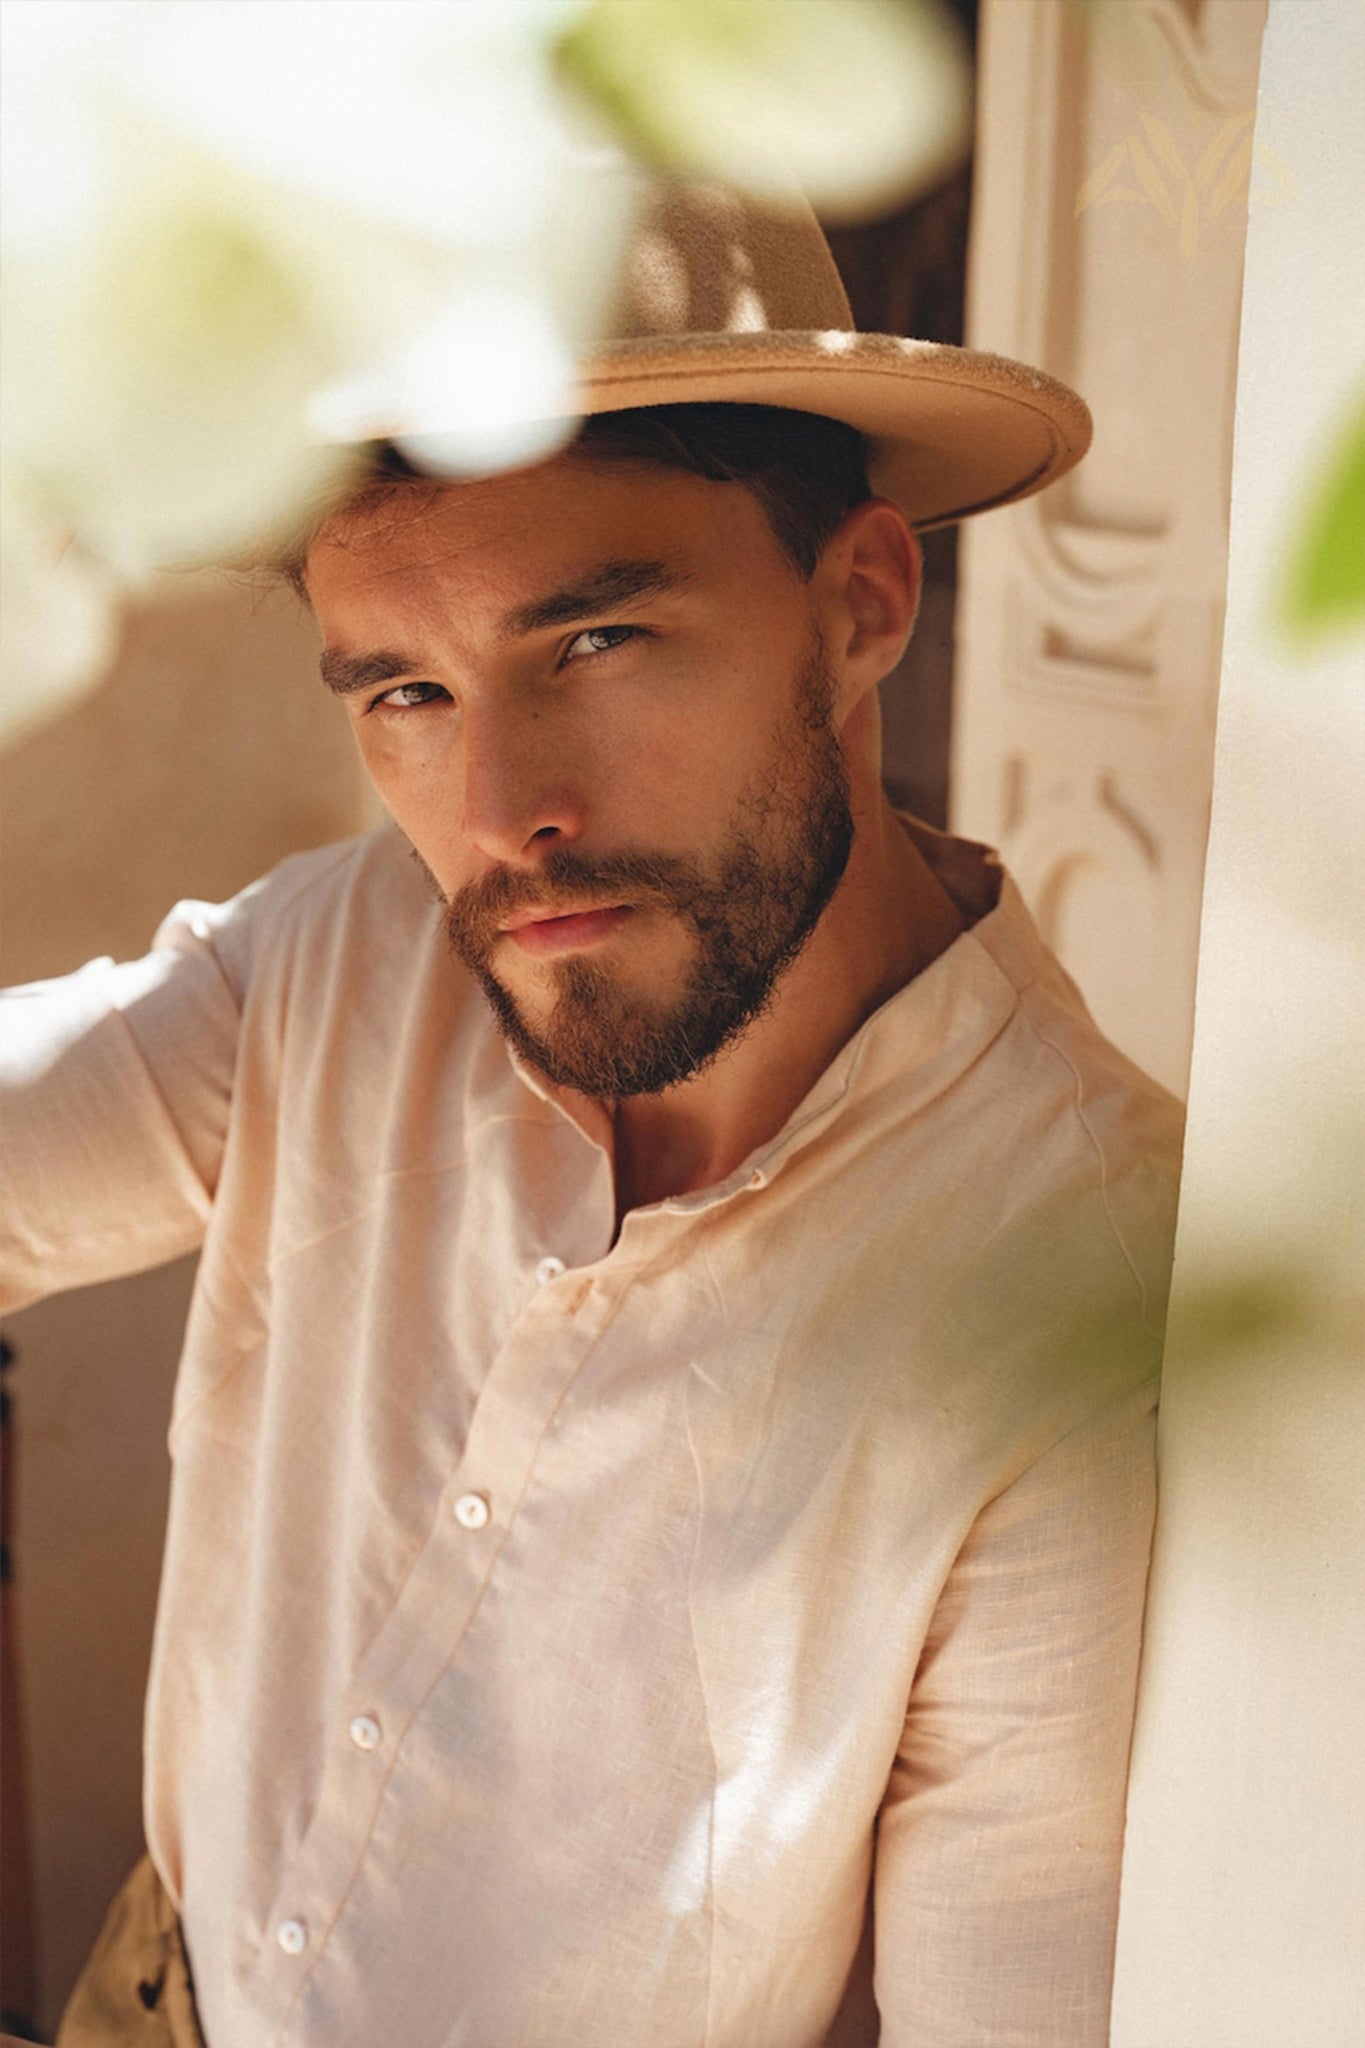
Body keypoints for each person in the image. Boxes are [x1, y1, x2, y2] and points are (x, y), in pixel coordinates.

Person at [1, 185, 1182, 2047]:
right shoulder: (350, 952)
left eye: (597, 644)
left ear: (862, 601)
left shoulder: (1082, 1293)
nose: (497, 811)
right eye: (406, 689)